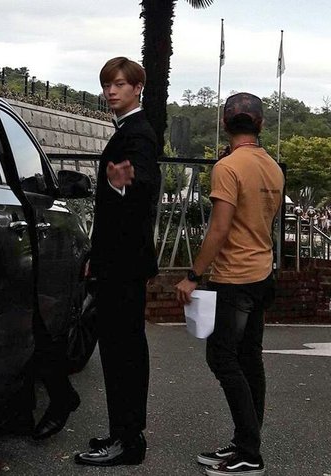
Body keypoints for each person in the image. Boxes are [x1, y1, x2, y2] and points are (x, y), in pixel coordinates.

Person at [176, 92, 284, 476]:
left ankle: (249, 452)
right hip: (262, 273)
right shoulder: (273, 168)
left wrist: (193, 275)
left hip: (234, 277)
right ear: (261, 124)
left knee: (222, 358)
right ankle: (245, 443)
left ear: (225, 123)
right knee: (249, 359)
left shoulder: (228, 167)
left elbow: (219, 228)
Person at [74, 57, 160, 467]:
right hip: (120, 261)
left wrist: (125, 183)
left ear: (138, 88)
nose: (111, 90)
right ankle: (124, 434)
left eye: (120, 84)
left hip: (123, 264)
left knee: (121, 350)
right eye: (107, 83)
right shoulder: (128, 129)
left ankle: (127, 440)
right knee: (122, 348)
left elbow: (144, 180)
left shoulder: (137, 132)